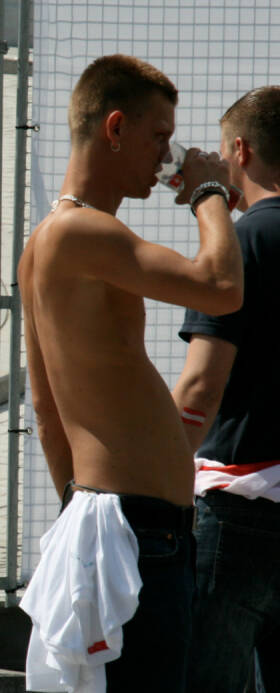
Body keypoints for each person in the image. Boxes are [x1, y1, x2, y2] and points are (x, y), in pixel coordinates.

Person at [17, 54, 242, 690]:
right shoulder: (84, 233)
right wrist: (207, 193)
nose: (167, 154)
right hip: (139, 532)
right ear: (115, 128)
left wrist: (79, 511)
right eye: (159, 137)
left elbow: (45, 407)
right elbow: (221, 285)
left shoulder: (45, 241)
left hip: (121, 526)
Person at [172, 85, 280, 693]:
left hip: (239, 515)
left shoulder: (243, 243)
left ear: (239, 150)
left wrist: (144, 483)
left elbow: (199, 388)